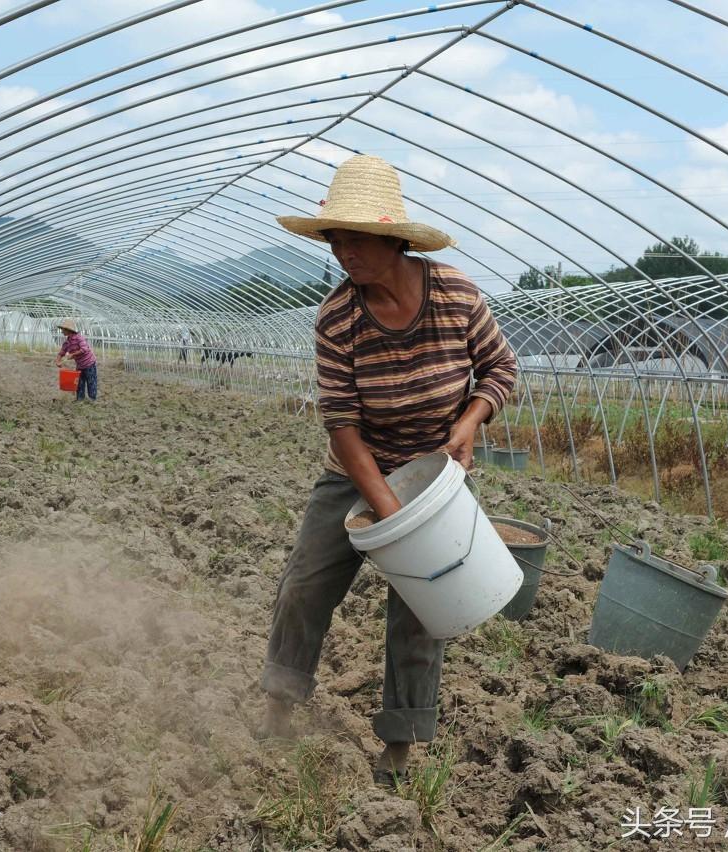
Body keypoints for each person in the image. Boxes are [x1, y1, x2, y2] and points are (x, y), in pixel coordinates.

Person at [259, 155, 517, 786]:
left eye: (356, 237)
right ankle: (279, 705)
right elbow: (342, 424)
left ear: (394, 238)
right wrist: (384, 511)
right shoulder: (338, 318)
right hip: (355, 471)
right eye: (335, 238)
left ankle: (399, 747)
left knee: (421, 607)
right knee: (304, 585)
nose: (344, 250)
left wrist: (469, 423)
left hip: (433, 477)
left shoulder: (455, 294)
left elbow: (501, 370)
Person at [55, 320, 98, 402]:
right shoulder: (67, 343)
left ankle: (92, 400)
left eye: (63, 329)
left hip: (89, 363)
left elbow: (84, 349)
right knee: (79, 383)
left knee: (91, 382)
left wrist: (73, 354)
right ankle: (80, 399)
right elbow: (61, 353)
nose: (62, 331)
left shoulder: (79, 338)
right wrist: (57, 361)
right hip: (80, 365)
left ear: (68, 330)